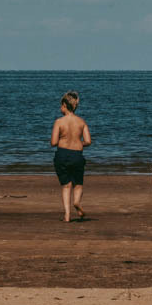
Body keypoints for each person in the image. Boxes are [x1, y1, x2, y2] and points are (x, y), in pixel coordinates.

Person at [51, 90, 91, 222]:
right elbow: (88, 141)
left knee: (66, 185)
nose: (60, 108)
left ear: (64, 105)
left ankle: (67, 215)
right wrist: (79, 143)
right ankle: (77, 202)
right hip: (77, 155)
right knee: (78, 184)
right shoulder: (81, 122)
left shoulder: (59, 122)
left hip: (62, 154)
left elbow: (53, 142)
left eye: (60, 106)